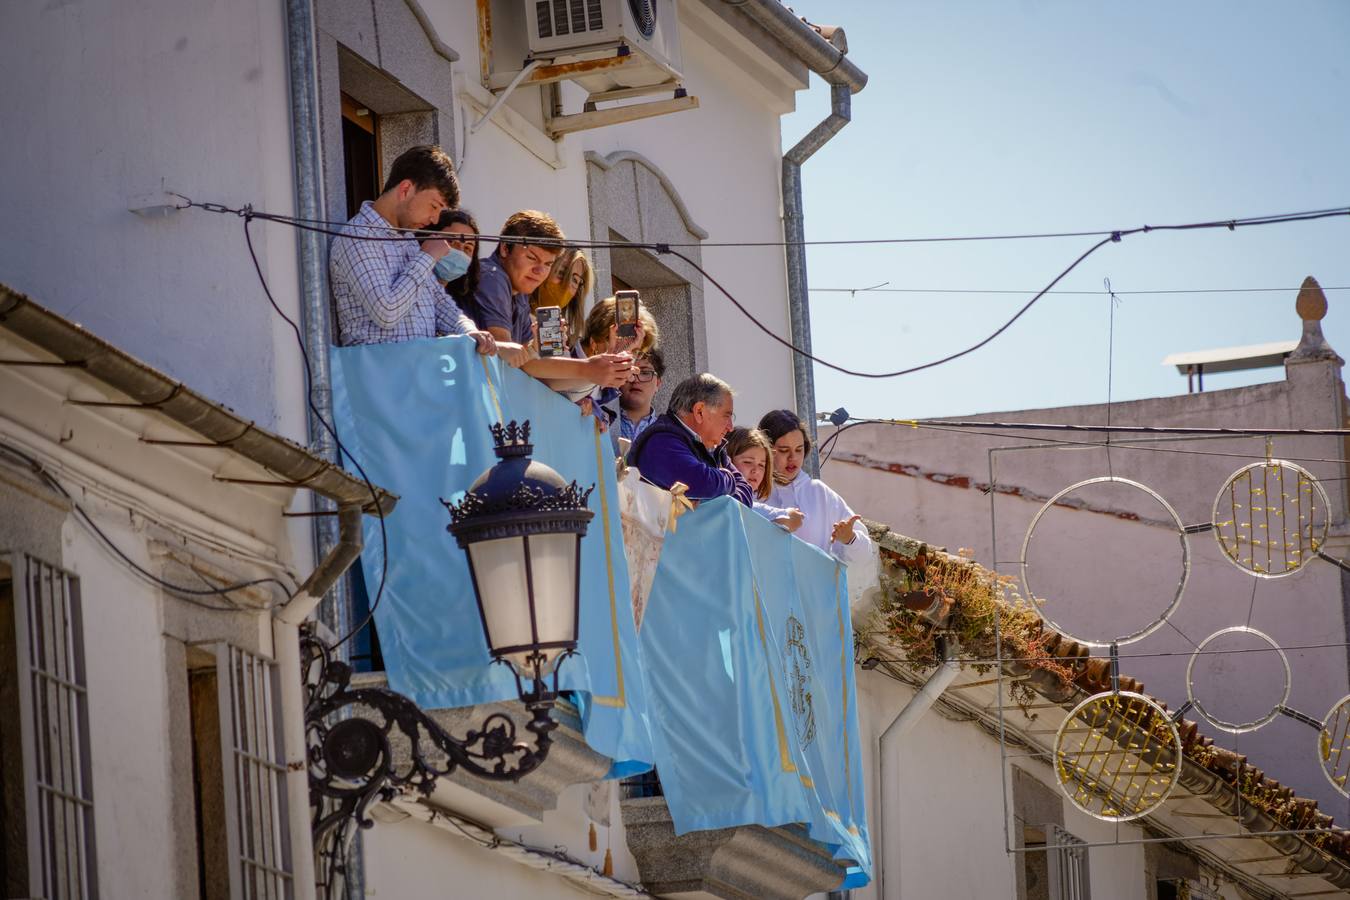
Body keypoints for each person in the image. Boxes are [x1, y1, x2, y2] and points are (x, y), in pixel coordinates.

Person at [331, 145, 493, 347]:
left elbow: (439, 302)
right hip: (379, 374)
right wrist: (426, 257)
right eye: (434, 206)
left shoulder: (407, 238)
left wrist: (470, 331)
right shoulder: (357, 237)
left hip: (415, 370)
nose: (434, 219)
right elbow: (387, 312)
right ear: (406, 189)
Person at [466, 211, 636, 391]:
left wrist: (602, 366)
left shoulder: (520, 294)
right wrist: (588, 368)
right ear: (505, 248)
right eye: (532, 258)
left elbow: (532, 368)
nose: (540, 271)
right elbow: (507, 358)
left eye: (548, 264)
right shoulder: (494, 277)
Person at [759, 409, 872, 562]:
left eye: (799, 450)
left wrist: (850, 538)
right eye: (784, 450)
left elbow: (865, 555)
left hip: (815, 585)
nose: (793, 458)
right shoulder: (750, 492)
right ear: (765, 450)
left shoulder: (820, 493)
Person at [627, 374, 752, 505]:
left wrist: (721, 488)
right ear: (699, 411)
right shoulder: (661, 442)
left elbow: (745, 495)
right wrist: (728, 479)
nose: (730, 427)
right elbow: (701, 483)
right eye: (726, 416)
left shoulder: (716, 449)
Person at [425, 210, 529, 366]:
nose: (458, 251)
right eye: (451, 241)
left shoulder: (452, 301)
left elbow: (460, 326)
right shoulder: (414, 282)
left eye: (467, 248)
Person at [726, 427, 803, 532]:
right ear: (727, 461)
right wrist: (787, 515)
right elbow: (788, 519)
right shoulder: (721, 500)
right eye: (747, 462)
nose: (756, 470)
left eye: (762, 465)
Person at [531, 247, 593, 351]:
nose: (566, 285)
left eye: (575, 280)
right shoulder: (514, 309)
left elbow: (550, 364)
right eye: (561, 273)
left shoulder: (563, 335)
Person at [613, 347, 664, 451]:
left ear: (658, 383)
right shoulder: (601, 419)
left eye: (645, 373)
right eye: (629, 371)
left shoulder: (667, 433)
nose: (635, 379)